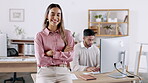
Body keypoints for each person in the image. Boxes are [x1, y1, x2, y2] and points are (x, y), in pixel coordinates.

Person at [34, 3, 74, 83]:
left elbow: (70, 57)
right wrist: (63, 54)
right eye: (52, 14)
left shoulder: (67, 34)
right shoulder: (40, 36)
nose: (55, 17)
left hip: (63, 72)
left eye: (58, 15)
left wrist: (52, 54)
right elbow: (40, 60)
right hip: (45, 72)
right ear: (47, 16)